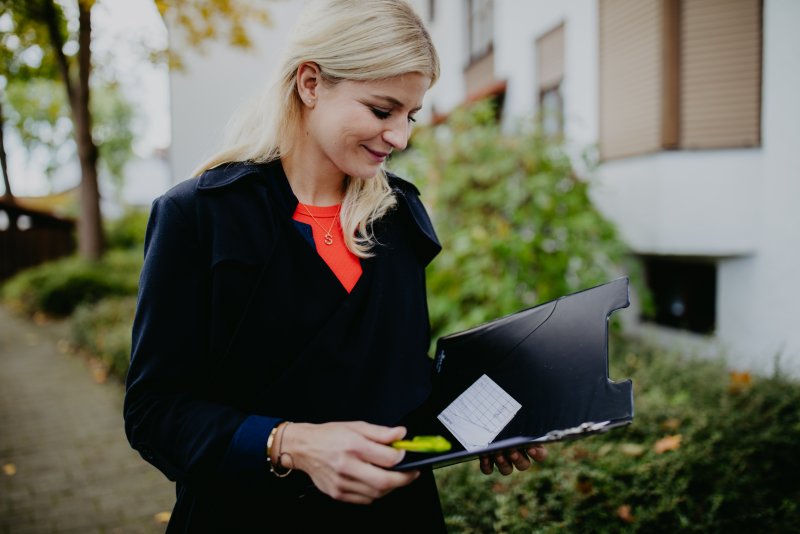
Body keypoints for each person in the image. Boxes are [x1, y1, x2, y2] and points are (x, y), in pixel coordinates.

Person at [123, 0, 546, 531]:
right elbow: (154, 412)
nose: (401, 137)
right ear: (310, 84)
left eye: (410, 115)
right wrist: (289, 443)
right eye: (381, 109)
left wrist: (482, 424)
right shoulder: (198, 216)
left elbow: (397, 385)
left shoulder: (400, 215)